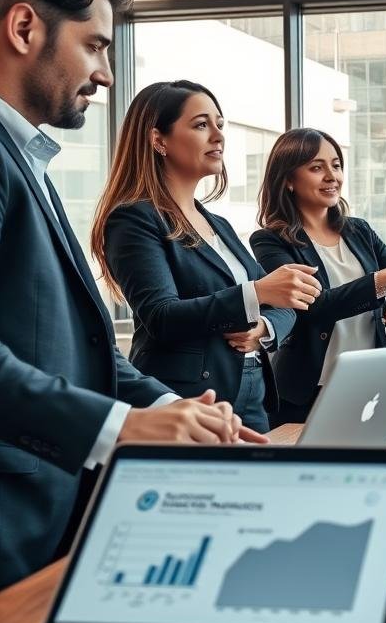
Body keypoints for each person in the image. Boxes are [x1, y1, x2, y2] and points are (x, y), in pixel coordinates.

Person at [0, 0, 264, 595]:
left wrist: (173, 410)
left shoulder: (24, 160)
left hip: (45, 519)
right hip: (1, 528)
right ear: (25, 27)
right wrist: (125, 426)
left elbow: (69, 347)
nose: (106, 73)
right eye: (96, 46)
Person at [91, 81, 316, 432]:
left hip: (252, 390)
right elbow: (161, 316)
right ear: (158, 140)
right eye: (201, 125)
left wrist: (263, 327)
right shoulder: (134, 218)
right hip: (186, 397)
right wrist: (255, 293)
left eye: (220, 125)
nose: (218, 136)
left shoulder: (220, 225)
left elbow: (283, 305)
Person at [251, 128, 386, 424]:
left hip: (370, 384)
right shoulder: (270, 240)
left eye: (336, 165)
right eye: (317, 167)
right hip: (307, 390)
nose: (332, 176)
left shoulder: (359, 230)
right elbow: (314, 307)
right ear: (288, 180)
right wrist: (385, 278)